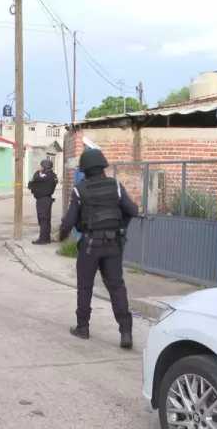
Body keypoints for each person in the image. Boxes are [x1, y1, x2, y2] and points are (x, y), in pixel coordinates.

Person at [59, 149, 139, 349]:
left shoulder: (79, 189)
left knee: (85, 286)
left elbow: (69, 220)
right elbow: (133, 211)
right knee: (116, 287)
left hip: (90, 246)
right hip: (113, 245)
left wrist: (60, 236)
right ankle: (126, 332)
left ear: (84, 169)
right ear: (103, 166)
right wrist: (121, 228)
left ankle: (82, 328)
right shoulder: (116, 186)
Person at [27, 158, 58, 244]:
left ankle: (43, 239)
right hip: (47, 199)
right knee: (46, 220)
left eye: (41, 166)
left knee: (43, 219)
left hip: (43, 200)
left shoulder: (43, 176)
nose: (40, 167)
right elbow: (32, 184)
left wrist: (37, 176)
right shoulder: (53, 175)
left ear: (45, 166)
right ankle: (46, 238)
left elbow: (31, 184)